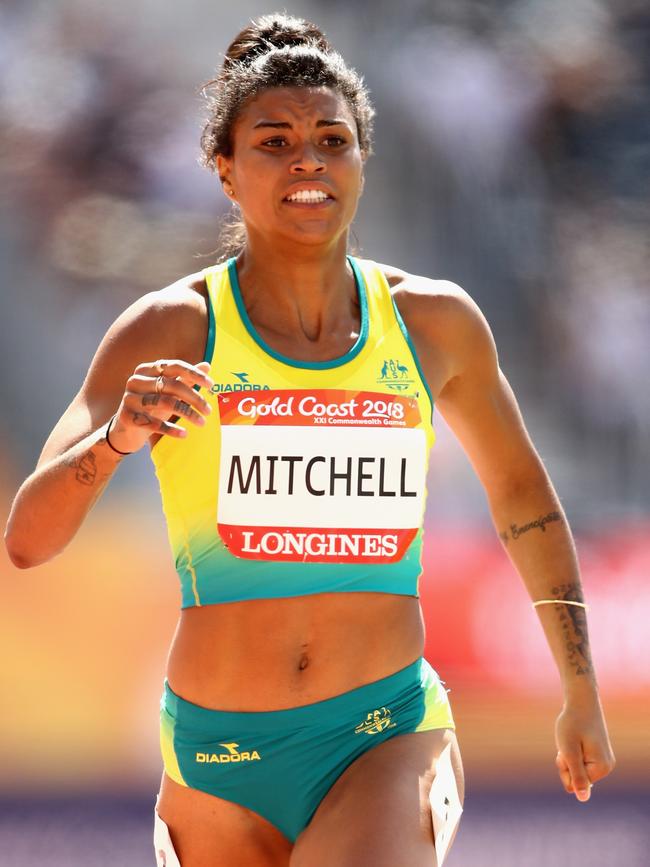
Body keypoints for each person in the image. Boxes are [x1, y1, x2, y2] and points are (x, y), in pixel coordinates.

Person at [4, 13, 615, 867]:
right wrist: (115, 440)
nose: (308, 162)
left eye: (333, 139)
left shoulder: (432, 324)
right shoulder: (170, 328)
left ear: (363, 159)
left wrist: (579, 687)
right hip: (214, 758)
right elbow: (28, 541)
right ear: (224, 167)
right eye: (275, 140)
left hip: (381, 732)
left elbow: (525, 501)